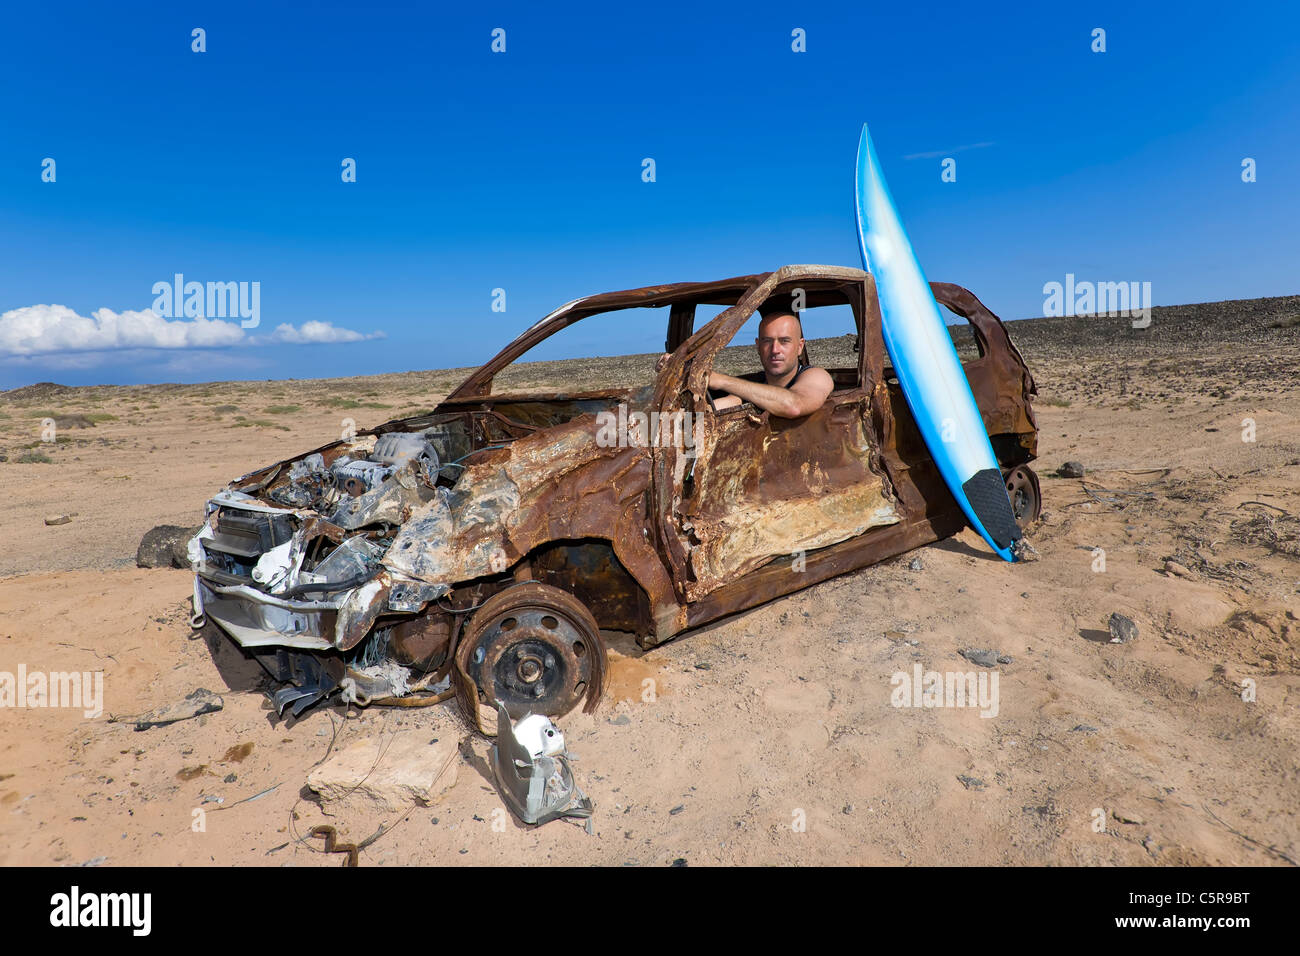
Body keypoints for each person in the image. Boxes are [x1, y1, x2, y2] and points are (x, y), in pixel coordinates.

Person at [657, 311, 834, 419]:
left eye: (784, 341)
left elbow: (794, 405)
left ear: (800, 346)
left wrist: (719, 380)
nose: (775, 349)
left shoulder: (816, 376)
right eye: (767, 341)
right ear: (757, 345)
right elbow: (707, 412)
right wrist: (674, 375)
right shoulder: (748, 392)